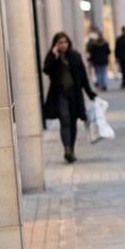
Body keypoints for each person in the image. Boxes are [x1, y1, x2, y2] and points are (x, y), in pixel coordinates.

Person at [42, 32, 96, 163]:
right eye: (60, 42)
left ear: (69, 43)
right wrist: (53, 55)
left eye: (65, 42)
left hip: (74, 95)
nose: (63, 45)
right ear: (56, 44)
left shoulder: (75, 56)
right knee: (64, 121)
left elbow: (83, 77)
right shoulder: (53, 58)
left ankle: (71, 149)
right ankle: (66, 149)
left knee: (72, 123)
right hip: (60, 95)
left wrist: (90, 93)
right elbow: (46, 70)